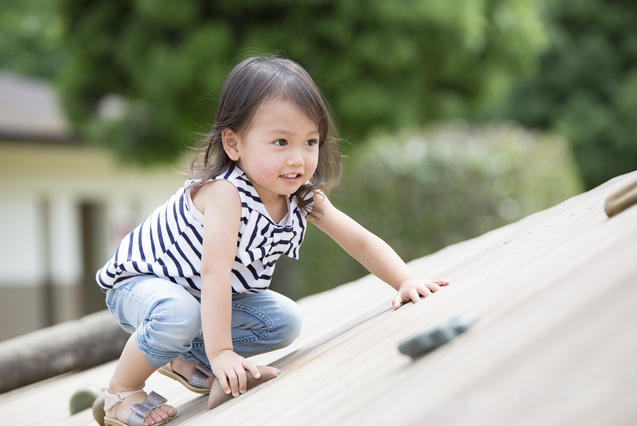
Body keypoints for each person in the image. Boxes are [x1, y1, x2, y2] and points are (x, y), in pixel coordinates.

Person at [96, 54, 449, 426]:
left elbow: (359, 241)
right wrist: (222, 354)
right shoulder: (225, 195)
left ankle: (177, 354)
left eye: (310, 142)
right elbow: (215, 273)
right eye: (280, 142)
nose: (298, 159)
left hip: (199, 297)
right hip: (141, 285)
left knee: (283, 322)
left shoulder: (303, 197)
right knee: (177, 314)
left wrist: (404, 280)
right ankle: (121, 392)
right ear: (233, 144)